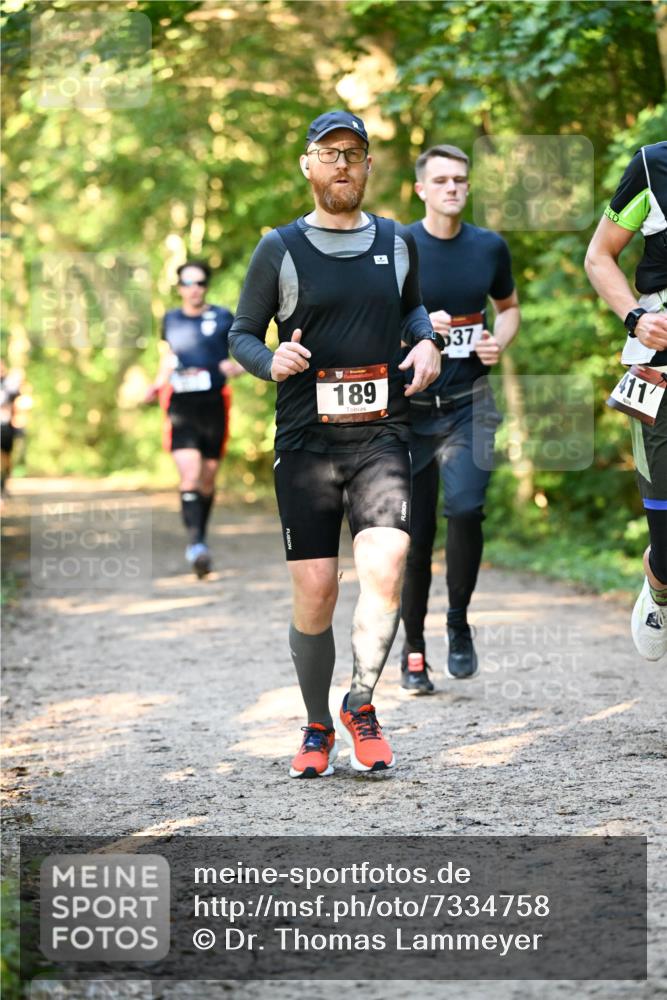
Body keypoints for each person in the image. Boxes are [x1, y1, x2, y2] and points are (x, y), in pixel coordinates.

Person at [228, 110, 443, 777]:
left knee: (387, 563)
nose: (341, 164)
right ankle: (317, 722)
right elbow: (240, 334)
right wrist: (270, 362)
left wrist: (427, 340)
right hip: (306, 443)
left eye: (352, 152)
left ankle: (361, 704)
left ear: (368, 164)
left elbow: (412, 308)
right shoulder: (280, 248)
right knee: (317, 589)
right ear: (308, 165)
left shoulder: (397, 241)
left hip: (383, 434)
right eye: (329, 153)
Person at [399, 144, 520, 693]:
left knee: (467, 510)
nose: (452, 187)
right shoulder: (398, 246)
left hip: (471, 404)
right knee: (415, 536)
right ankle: (413, 649)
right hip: (409, 411)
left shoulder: (489, 246)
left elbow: (509, 307)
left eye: (460, 180)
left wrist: (499, 341)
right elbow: (373, 319)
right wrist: (420, 327)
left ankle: (458, 623)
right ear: (421, 189)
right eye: (441, 180)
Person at [585, 140, 667, 661]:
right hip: (660, 368)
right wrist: (636, 319)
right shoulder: (653, 166)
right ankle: (659, 581)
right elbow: (598, 256)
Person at [145, 261, 245, 578]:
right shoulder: (170, 319)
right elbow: (168, 358)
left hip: (214, 405)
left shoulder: (223, 317)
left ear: (206, 286)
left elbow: (247, 351)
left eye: (200, 283)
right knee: (189, 475)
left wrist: (237, 368)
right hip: (181, 406)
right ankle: (196, 545)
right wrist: (156, 385)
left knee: (207, 479)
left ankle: (200, 537)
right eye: (188, 283)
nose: (194, 288)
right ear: (179, 287)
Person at [0, 361, 22, 498]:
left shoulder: (9, 385)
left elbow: (17, 397)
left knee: (6, 458)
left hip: (6, 427)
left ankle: (4, 484)